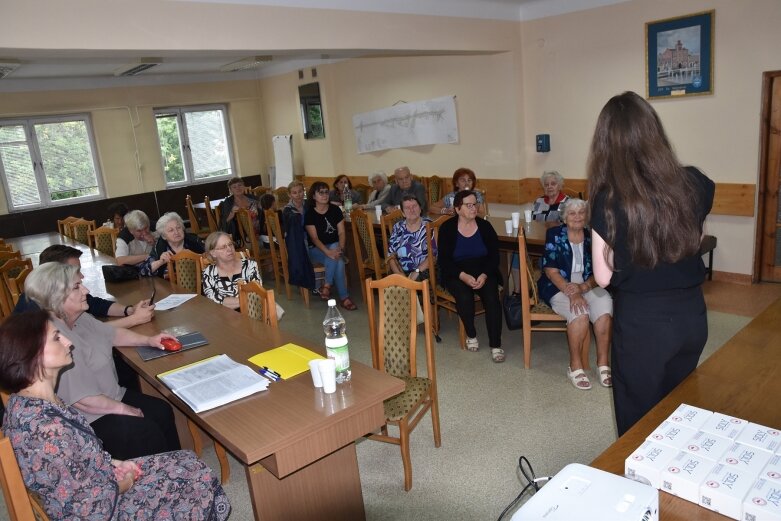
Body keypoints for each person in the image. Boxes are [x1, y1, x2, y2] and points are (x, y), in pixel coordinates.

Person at [0, 311, 231, 520]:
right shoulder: (47, 432)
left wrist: (113, 463)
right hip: (107, 508)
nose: (68, 342)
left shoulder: (32, 402)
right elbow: (88, 508)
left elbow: (76, 463)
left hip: (99, 482)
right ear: (31, 356)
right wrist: (125, 481)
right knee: (195, 479)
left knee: (187, 460)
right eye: (56, 338)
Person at [587, 91, 715, 436]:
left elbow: (602, 276)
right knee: (679, 409)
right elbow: (694, 239)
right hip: (691, 316)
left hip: (643, 322)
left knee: (638, 420)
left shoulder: (608, 198)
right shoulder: (693, 182)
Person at [24, 262, 182, 459]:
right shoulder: (54, 338)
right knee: (144, 431)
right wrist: (126, 410)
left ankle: (177, 468)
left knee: (161, 410)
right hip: (88, 417)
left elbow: (111, 334)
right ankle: (154, 482)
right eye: (77, 287)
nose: (86, 290)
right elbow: (83, 401)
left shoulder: (79, 318)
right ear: (56, 296)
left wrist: (149, 340)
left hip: (111, 396)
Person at [537, 199, 613, 390]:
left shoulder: (592, 236)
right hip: (558, 285)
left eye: (581, 213)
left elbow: (602, 269)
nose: (577, 217)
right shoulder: (554, 234)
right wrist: (572, 292)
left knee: (605, 308)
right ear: (564, 216)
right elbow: (551, 270)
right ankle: (575, 366)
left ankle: (603, 364)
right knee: (580, 313)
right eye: (572, 213)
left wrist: (585, 287)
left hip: (587, 283)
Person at [13, 244, 154, 329]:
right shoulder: (35, 308)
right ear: (56, 273)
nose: (82, 276)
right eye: (76, 271)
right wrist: (134, 320)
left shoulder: (61, 292)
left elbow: (95, 304)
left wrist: (129, 310)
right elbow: (82, 333)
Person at [437, 190, 503, 362]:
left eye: (475, 204)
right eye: (469, 205)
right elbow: (444, 260)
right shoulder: (447, 228)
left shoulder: (485, 227)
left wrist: (485, 274)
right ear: (458, 209)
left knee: (492, 297)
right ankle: (471, 334)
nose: (474, 208)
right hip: (456, 271)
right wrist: (463, 276)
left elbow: (494, 256)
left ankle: (496, 345)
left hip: (483, 270)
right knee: (464, 296)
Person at [304, 181, 357, 311]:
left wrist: (341, 248)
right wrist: (328, 252)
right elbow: (314, 239)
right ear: (314, 196)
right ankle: (344, 298)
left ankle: (327, 285)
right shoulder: (309, 214)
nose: (324, 195)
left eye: (326, 192)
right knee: (336, 259)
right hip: (317, 250)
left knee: (336, 259)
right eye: (320, 192)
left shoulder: (335, 210)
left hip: (336, 248)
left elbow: (342, 232)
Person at [202, 231, 261, 309]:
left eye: (230, 244)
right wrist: (245, 300)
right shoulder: (208, 273)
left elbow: (256, 294)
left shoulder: (250, 266)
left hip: (250, 312)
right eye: (223, 247)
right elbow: (212, 300)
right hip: (221, 317)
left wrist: (224, 301)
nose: (229, 249)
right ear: (213, 253)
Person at [140, 212, 205, 278]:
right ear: (164, 236)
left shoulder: (194, 241)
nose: (176, 232)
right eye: (171, 230)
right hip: (168, 286)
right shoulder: (160, 247)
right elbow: (143, 272)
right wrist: (160, 261)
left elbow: (211, 259)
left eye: (178, 228)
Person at [387, 195, 435, 282]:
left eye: (414, 206)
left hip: (424, 270)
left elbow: (434, 256)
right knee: (392, 282)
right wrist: (398, 274)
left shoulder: (430, 226)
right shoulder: (398, 227)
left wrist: (416, 272)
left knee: (413, 284)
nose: (411, 210)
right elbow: (391, 255)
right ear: (402, 213)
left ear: (420, 209)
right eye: (407, 208)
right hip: (401, 269)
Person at [281, 180, 316, 292]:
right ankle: (310, 281)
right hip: (298, 242)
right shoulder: (288, 210)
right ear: (289, 195)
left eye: (300, 191)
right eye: (294, 193)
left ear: (303, 191)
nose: (298, 195)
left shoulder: (309, 204)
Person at [218, 176, 261, 243]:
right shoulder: (228, 202)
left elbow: (263, 213)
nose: (238, 188)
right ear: (231, 190)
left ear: (244, 186)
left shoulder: (253, 198)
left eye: (240, 185)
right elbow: (223, 223)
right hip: (241, 235)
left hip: (259, 230)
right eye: (234, 187)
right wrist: (232, 213)